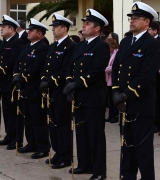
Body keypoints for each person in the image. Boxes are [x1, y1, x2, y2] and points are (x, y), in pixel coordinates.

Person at [112, 2, 160, 180]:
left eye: (135, 18)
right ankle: (128, 176)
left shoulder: (152, 44)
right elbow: (117, 67)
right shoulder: (125, 41)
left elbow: (146, 75)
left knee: (143, 148)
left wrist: (126, 94)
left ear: (147, 22)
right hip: (123, 103)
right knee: (127, 145)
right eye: (130, 18)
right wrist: (116, 92)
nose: (131, 21)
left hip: (141, 103)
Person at [63, 9, 110, 180]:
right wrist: (69, 82)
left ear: (97, 28)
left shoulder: (102, 45)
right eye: (84, 23)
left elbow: (96, 70)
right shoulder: (81, 45)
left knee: (95, 135)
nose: (83, 26)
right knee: (81, 133)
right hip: (79, 96)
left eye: (88, 23)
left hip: (93, 97)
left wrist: (77, 83)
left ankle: (99, 171)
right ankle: (84, 164)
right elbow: (70, 66)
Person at [40, 13, 76, 169]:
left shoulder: (70, 46)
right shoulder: (53, 46)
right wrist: (43, 78)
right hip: (51, 91)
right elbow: (46, 66)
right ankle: (57, 152)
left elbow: (67, 68)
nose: (53, 30)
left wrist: (51, 81)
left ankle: (65, 156)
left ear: (64, 28)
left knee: (63, 124)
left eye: (55, 27)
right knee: (53, 123)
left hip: (61, 90)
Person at [12, 18, 49, 158]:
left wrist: (23, 77)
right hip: (24, 87)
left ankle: (42, 147)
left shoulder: (43, 47)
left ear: (39, 34)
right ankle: (31, 143)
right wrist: (16, 75)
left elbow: (36, 67)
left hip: (34, 87)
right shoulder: (27, 46)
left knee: (37, 118)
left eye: (32, 30)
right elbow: (18, 62)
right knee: (27, 117)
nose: (28, 32)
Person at [0, 15, 24, 149]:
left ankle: (16, 139)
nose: (1, 29)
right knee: (6, 110)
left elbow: (12, 61)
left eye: (3, 27)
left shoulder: (17, 43)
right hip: (2, 82)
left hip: (11, 82)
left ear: (12, 29)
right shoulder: (3, 42)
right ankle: (9, 135)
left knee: (13, 111)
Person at [148, 21, 160, 133]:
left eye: (149, 29)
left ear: (155, 31)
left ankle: (156, 123)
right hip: (147, 75)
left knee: (157, 100)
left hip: (157, 76)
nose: (147, 31)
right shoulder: (146, 42)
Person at [105, 38, 119, 123]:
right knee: (110, 99)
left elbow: (114, 66)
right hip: (108, 79)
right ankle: (110, 115)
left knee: (114, 99)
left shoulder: (116, 53)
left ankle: (115, 115)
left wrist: (105, 68)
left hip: (113, 78)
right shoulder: (110, 53)